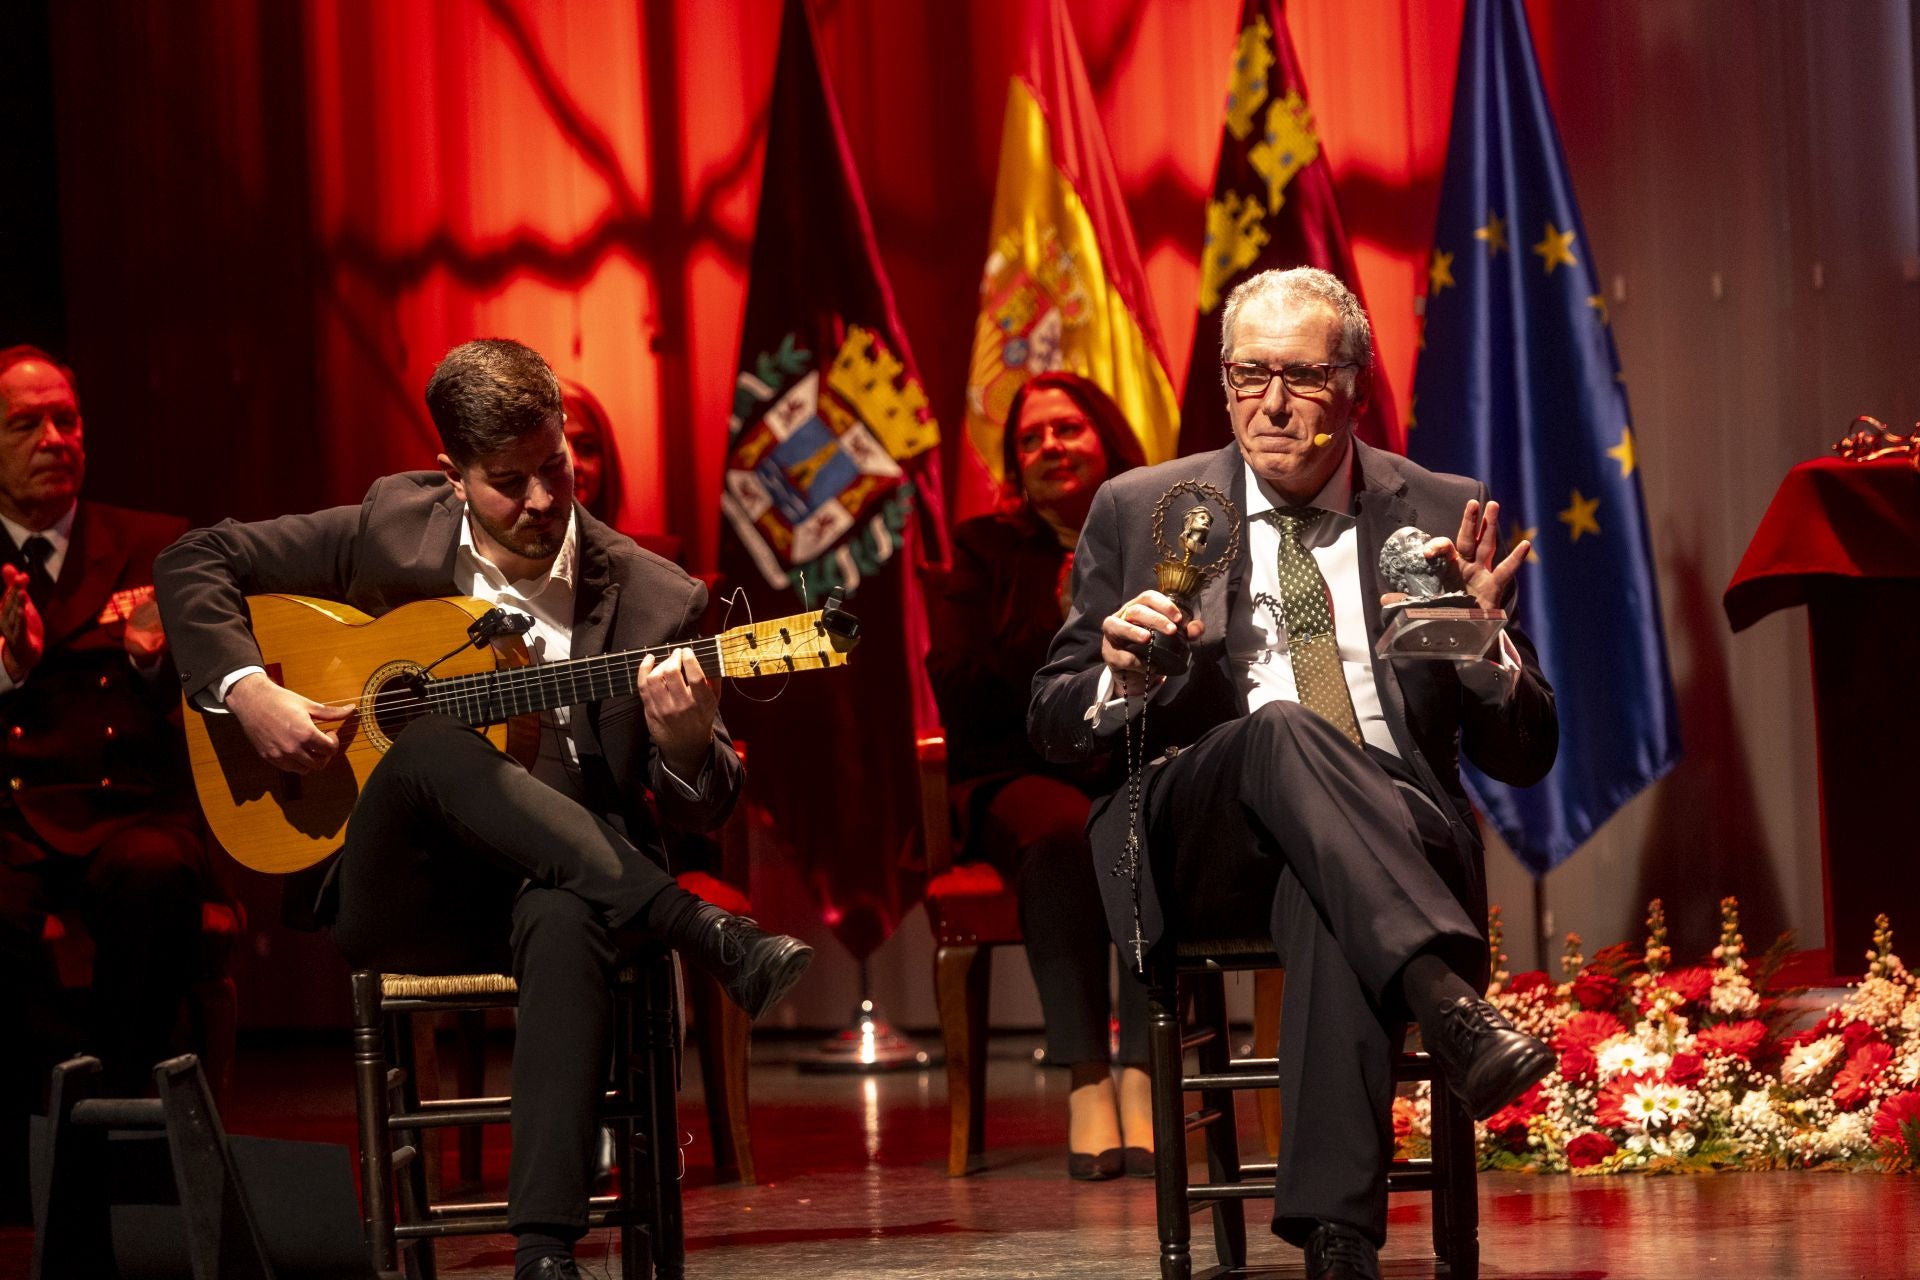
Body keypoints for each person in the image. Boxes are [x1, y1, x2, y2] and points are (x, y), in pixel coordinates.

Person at [154, 338, 813, 1280]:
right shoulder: (391, 526)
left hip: (564, 885)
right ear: (451, 475)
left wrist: (682, 747)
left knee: (564, 912)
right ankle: (695, 929)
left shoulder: (656, 601)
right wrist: (246, 687)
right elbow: (194, 557)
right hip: (404, 894)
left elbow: (701, 801)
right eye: (510, 481)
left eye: (557, 466)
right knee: (428, 744)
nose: (544, 500)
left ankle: (544, 1253)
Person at [1028, 268, 1559, 1280]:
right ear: (1225, 384)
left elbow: (1526, 756)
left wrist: (1486, 652)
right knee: (1281, 728)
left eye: (1303, 375)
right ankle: (1443, 997)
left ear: (1354, 385)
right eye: (1250, 374)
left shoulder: (1438, 511)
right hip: (1199, 824)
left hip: (1388, 837)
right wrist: (1117, 669)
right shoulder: (1142, 508)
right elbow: (1051, 723)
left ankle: (1339, 1243)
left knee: (1330, 892)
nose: (1272, 402)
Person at [927, 371, 1149, 1181]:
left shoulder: (1158, 531)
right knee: (1063, 832)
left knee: (1143, 821)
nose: (1051, 447)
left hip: (1131, 760)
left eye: (1068, 429)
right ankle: (1088, 1074)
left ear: (1105, 440)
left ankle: (1144, 1075)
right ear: (1015, 465)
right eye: (1031, 438)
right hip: (1013, 771)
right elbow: (955, 677)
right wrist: (1063, 631)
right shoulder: (985, 550)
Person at [0, 345, 217, 1108]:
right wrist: (9, 669)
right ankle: (35, 1120)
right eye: (25, 424)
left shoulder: (154, 544)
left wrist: (158, 664)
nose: (54, 440)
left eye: (66, 419)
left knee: (157, 872)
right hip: (12, 818)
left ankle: (123, 1105)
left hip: (128, 805)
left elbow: (210, 689)